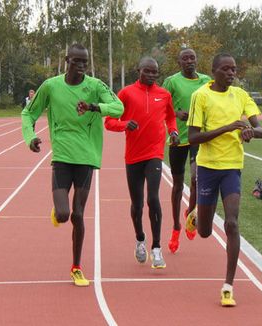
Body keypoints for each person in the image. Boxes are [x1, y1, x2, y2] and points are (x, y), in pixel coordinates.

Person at [21, 44, 124, 287]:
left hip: (87, 157)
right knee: (64, 214)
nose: (81, 66)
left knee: (78, 214)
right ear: (67, 60)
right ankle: (58, 211)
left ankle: (76, 267)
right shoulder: (51, 86)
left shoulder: (95, 86)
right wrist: (30, 137)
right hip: (62, 156)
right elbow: (28, 114)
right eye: (76, 61)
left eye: (85, 62)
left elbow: (119, 108)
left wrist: (95, 107)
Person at [187, 53, 262, 307]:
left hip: (232, 167)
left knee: (232, 222)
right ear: (214, 71)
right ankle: (197, 214)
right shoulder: (201, 96)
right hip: (208, 167)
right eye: (226, 69)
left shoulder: (241, 95)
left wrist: (251, 130)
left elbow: (260, 128)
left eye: (234, 69)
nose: (231, 73)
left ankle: (228, 286)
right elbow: (194, 137)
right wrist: (227, 128)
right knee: (205, 232)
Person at [104, 57, 179, 269]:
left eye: (155, 72)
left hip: (154, 153)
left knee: (153, 198)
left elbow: (171, 118)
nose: (152, 75)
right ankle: (140, 239)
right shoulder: (126, 93)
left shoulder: (164, 94)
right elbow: (109, 122)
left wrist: (173, 132)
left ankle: (156, 248)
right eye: (148, 71)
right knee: (136, 204)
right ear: (139, 70)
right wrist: (126, 124)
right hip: (133, 156)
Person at [162, 48, 211, 253]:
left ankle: (191, 214)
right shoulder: (171, 81)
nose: (190, 61)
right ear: (179, 62)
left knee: (197, 179)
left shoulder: (206, 80)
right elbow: (162, 105)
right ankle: (175, 227)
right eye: (185, 58)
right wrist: (176, 112)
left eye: (192, 57)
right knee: (178, 185)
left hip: (198, 136)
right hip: (178, 138)